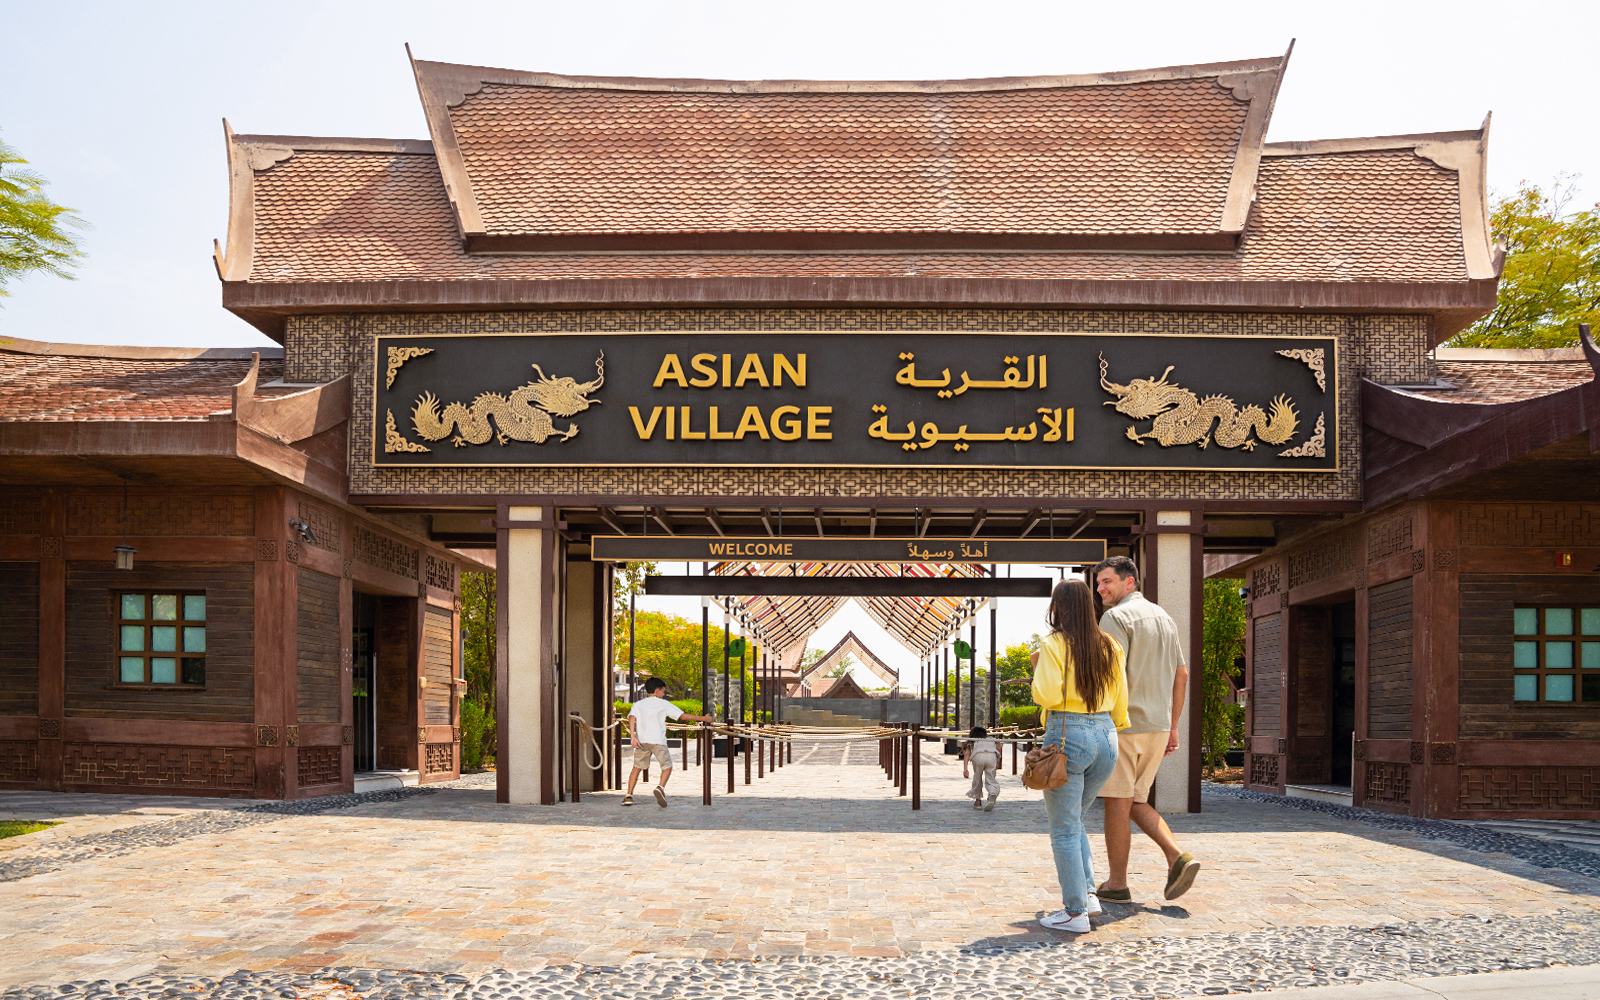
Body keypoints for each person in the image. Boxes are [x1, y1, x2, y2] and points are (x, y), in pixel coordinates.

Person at [1091, 555, 1201, 903]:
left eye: (1107, 581)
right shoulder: (1165, 618)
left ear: (1130, 582)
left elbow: (1110, 674)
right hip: (1156, 728)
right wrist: (1173, 727)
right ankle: (1176, 857)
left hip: (1124, 726)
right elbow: (1182, 674)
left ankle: (1117, 884)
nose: (1100, 588)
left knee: (1116, 806)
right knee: (1136, 801)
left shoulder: (1115, 617)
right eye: (1098, 583)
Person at [1029, 578, 1129, 933]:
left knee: (1064, 828)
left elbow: (1045, 694)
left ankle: (1074, 913)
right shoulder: (1111, 645)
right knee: (1075, 820)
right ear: (1089, 606)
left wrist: (1036, 663)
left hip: (1068, 734)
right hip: (1107, 734)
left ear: (1058, 608)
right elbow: (1120, 699)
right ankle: (1087, 895)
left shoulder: (1053, 643)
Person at [623, 678, 716, 808]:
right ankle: (660, 787)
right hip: (658, 741)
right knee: (667, 766)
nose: (664, 694)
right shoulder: (663, 704)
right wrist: (704, 718)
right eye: (663, 691)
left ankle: (628, 796)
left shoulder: (638, 704)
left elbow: (631, 718)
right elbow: (683, 716)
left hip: (641, 741)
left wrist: (633, 737)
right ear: (657, 691)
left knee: (636, 767)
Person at [963, 726, 1001, 811]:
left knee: (977, 777)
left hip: (978, 756)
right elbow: (999, 748)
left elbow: (967, 754)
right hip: (991, 756)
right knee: (991, 778)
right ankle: (992, 793)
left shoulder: (972, 742)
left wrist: (965, 769)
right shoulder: (991, 739)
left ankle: (978, 802)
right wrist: (998, 761)